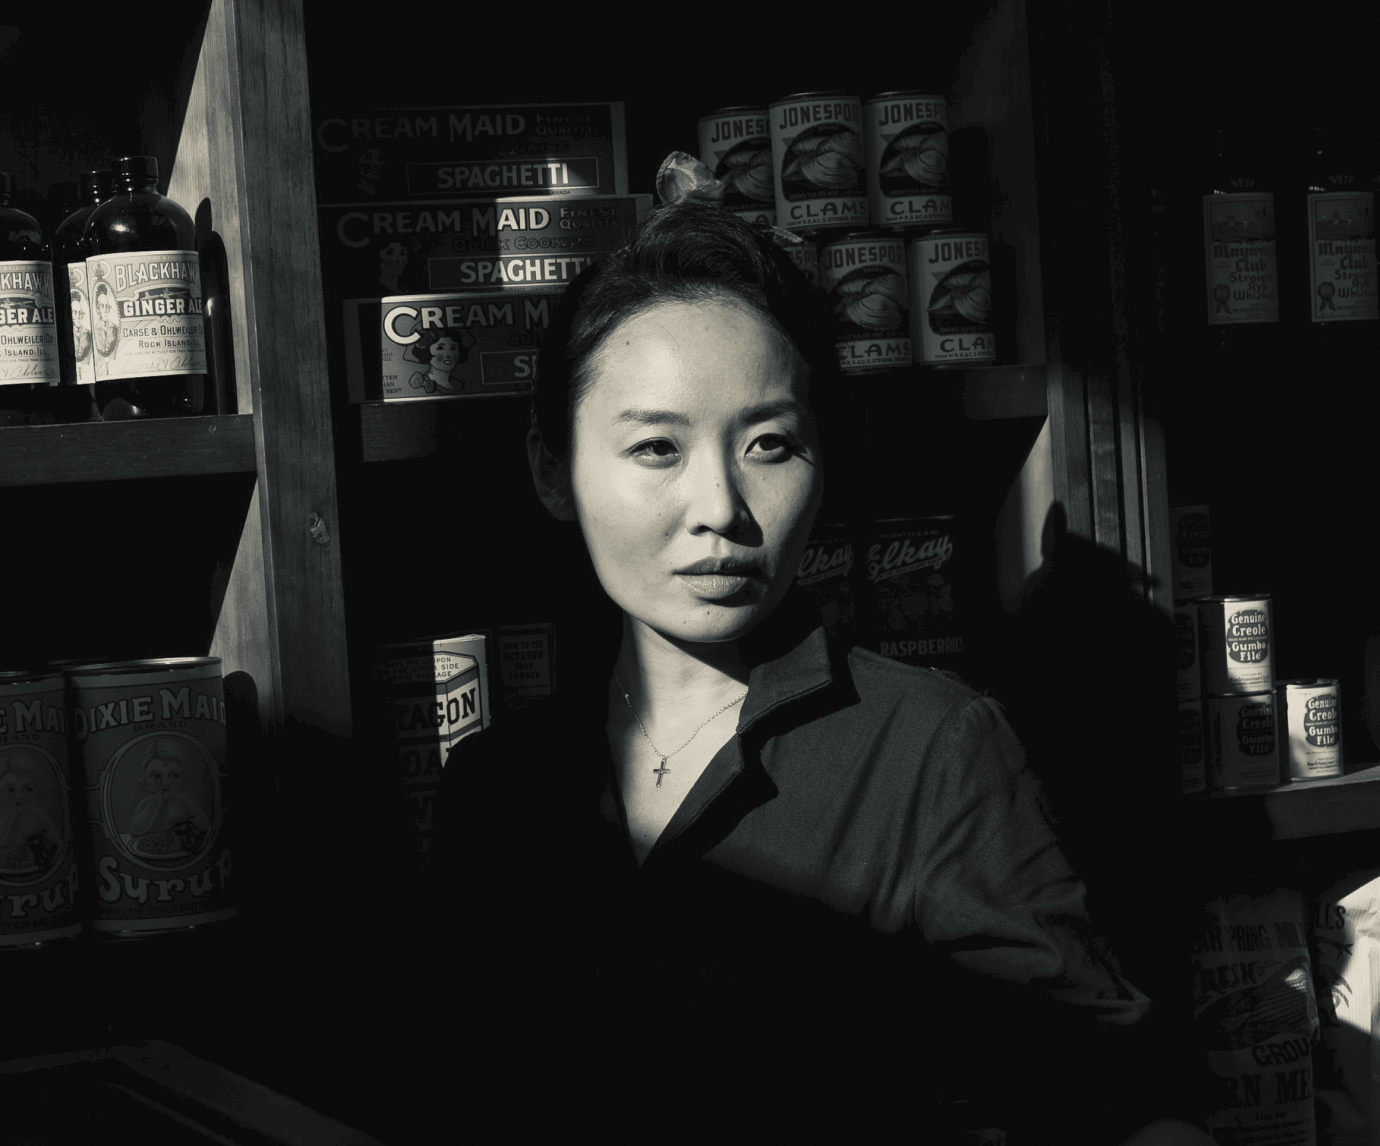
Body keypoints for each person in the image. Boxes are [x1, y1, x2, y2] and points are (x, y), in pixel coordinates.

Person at [429, 203, 1215, 1145]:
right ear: (552, 469)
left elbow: (1113, 1106)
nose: (720, 506)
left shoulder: (930, 752)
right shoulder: (499, 789)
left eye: (769, 444)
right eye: (655, 448)